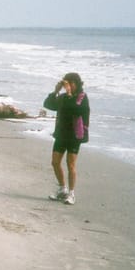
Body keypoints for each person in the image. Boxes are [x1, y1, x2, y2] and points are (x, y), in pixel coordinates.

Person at [43, 72, 90, 205]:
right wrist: (56, 91)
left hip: (75, 135)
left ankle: (71, 193)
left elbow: (76, 110)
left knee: (71, 164)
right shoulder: (63, 97)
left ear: (76, 84)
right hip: (62, 134)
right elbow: (48, 105)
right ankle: (62, 189)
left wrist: (69, 94)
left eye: (70, 83)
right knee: (55, 162)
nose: (68, 86)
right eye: (66, 84)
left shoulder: (82, 97)